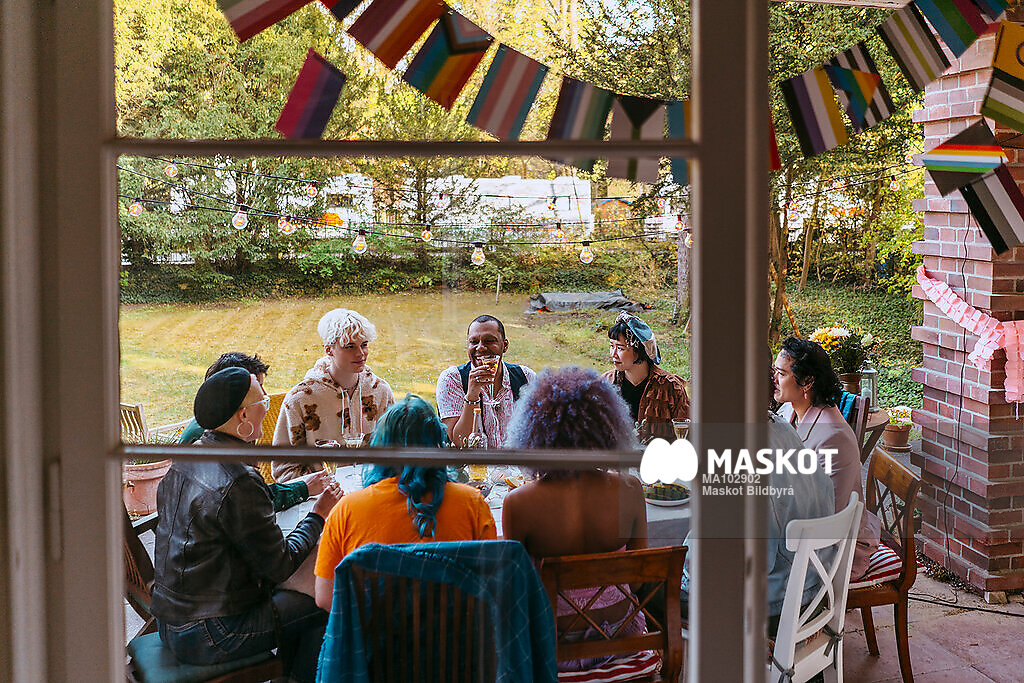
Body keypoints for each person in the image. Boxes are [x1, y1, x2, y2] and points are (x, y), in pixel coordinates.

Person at [150, 367, 343, 683]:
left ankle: (287, 675)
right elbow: (280, 565)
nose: (267, 406)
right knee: (326, 599)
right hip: (213, 633)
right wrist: (318, 514)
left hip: (171, 620)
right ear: (243, 416)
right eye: (262, 401)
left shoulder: (190, 454)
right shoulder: (238, 479)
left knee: (305, 588)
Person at [502, 367, 647, 672]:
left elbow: (517, 594)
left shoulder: (518, 503)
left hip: (553, 648)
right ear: (607, 428)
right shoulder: (630, 489)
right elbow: (637, 580)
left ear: (534, 433)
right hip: (621, 640)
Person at [313, 395, 497, 611]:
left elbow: (325, 598)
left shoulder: (347, 510)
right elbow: (491, 584)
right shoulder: (472, 503)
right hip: (453, 631)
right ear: (436, 445)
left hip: (374, 632)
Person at [178, 351, 330, 511]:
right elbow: (249, 501)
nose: (264, 395)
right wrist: (306, 496)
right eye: (257, 388)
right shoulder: (206, 439)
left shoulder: (232, 429)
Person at [272, 308, 395, 482]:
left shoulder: (381, 391)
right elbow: (284, 470)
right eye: (350, 346)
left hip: (373, 489)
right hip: (321, 495)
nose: (361, 353)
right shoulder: (299, 399)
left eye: (364, 345)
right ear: (329, 350)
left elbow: (395, 451)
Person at [773, 336, 862, 510]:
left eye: (782, 374)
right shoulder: (789, 409)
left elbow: (826, 510)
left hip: (828, 524)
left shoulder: (833, 439)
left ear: (807, 382)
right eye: (775, 371)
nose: (774, 379)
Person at [435, 314, 536, 448]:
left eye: (489, 341)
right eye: (474, 342)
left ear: (505, 345)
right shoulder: (452, 379)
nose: (480, 347)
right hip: (474, 462)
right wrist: (472, 395)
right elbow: (459, 442)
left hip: (516, 461)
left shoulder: (526, 377)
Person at [602, 312, 689, 442]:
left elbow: (687, 435)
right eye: (611, 346)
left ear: (639, 349)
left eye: (620, 348)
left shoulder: (670, 387)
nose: (613, 354)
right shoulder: (605, 383)